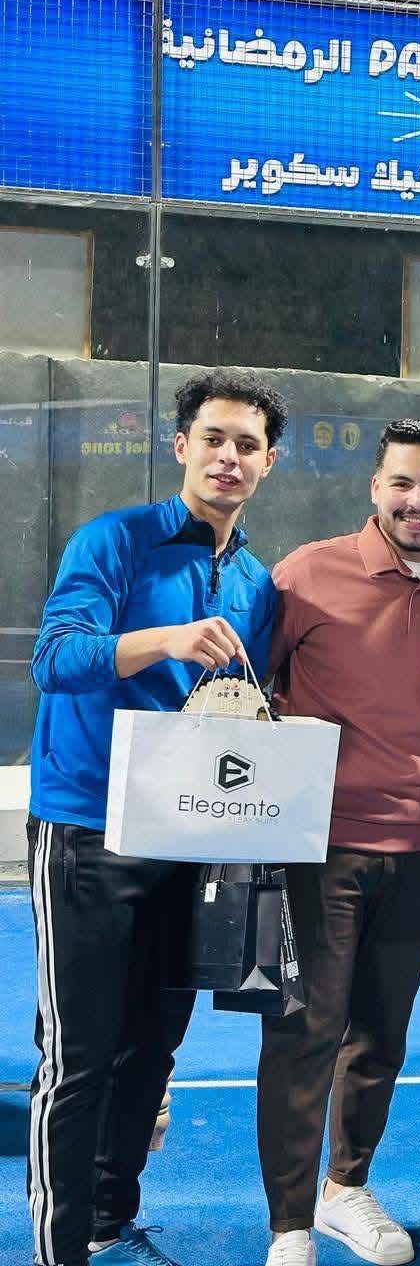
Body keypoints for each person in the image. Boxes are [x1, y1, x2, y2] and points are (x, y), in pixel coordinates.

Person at [27, 368, 286, 1266]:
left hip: (191, 833)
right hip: (87, 829)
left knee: (152, 1048)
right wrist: (166, 641)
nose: (228, 456)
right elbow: (56, 659)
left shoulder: (256, 580)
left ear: (268, 462)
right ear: (181, 446)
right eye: (213, 438)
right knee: (79, 1056)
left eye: (247, 444)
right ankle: (59, 1249)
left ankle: (107, 1218)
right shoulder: (114, 541)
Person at [260, 419, 420, 1266]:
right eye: (402, 483)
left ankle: (344, 1190)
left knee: (381, 1035)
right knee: (304, 1032)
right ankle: (289, 1226)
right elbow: (247, 682)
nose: (416, 501)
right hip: (314, 846)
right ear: (375, 488)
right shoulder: (306, 573)